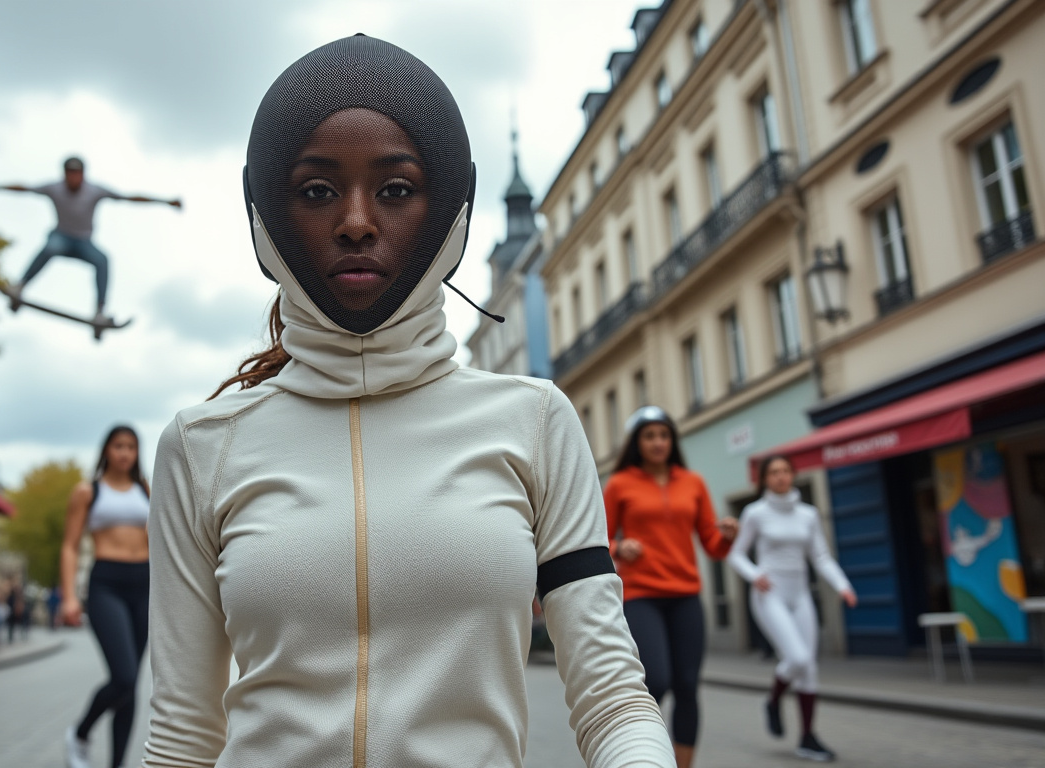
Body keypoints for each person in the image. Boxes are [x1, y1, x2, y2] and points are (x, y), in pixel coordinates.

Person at [143, 35, 674, 768]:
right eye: (317, 191)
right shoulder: (201, 446)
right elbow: (181, 736)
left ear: (447, 205)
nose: (356, 221)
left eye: (395, 189)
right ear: (268, 209)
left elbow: (612, 698)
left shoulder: (536, 422)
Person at [604, 405, 739, 768]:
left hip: (686, 596)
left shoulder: (692, 482)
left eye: (664, 435)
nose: (658, 442)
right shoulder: (620, 484)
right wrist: (619, 547)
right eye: (649, 436)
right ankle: (640, 755)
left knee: (687, 686)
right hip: (642, 595)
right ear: (637, 443)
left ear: (672, 441)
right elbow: (599, 538)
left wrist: (727, 537)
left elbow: (711, 544)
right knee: (657, 680)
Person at [727, 454, 857, 762]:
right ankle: (774, 700)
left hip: (800, 596)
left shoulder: (808, 514)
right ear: (765, 479)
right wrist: (754, 575)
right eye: (774, 472)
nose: (781, 476)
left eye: (786, 471)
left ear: (793, 475)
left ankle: (807, 738)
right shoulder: (755, 513)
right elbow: (736, 554)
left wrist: (843, 586)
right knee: (797, 658)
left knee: (808, 668)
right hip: (769, 595)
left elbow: (821, 557)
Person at [0, 157, 181, 324]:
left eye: (77, 174)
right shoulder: (54, 188)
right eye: (69, 174)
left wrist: (165, 201)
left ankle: (99, 311)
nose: (73, 178)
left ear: (83, 175)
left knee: (102, 260)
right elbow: (23, 188)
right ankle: (19, 286)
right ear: (64, 174)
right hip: (61, 237)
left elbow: (129, 198)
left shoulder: (95, 191)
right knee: (51, 247)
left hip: (84, 243)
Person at [60, 425, 151, 768]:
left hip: (144, 584)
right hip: (106, 585)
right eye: (118, 446)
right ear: (106, 451)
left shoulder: (145, 489)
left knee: (131, 686)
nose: (125, 453)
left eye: (131, 447)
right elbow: (70, 547)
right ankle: (80, 733)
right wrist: (69, 597)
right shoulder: (88, 491)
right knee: (123, 675)